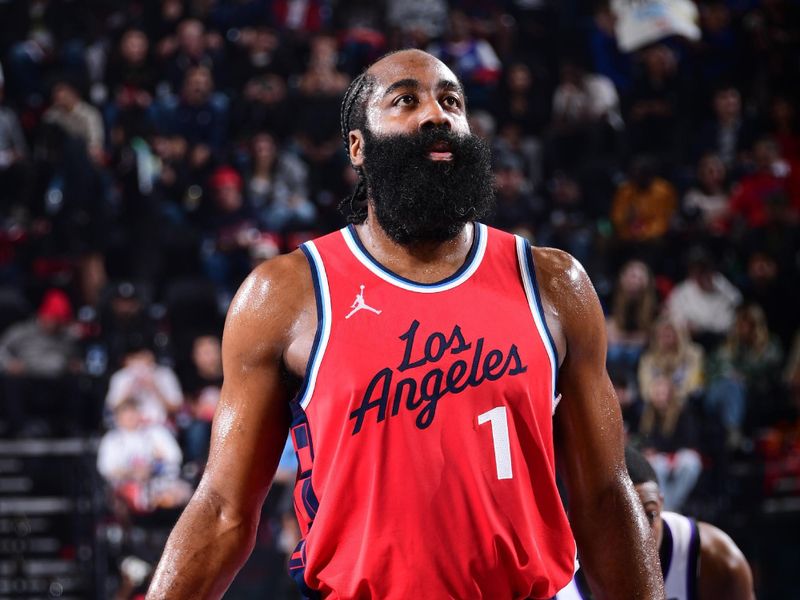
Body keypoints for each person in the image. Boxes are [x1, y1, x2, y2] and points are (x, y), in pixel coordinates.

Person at [147, 49, 663, 599]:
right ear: (358, 145)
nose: (436, 114)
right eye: (405, 100)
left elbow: (607, 498)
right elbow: (224, 510)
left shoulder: (555, 283)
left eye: (451, 101)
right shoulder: (286, 295)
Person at [557, 445, 755, 600]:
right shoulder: (553, 569)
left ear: (661, 504)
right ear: (581, 522)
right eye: (619, 524)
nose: (638, 537)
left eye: (649, 516)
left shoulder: (716, 561)